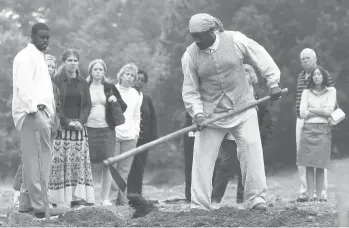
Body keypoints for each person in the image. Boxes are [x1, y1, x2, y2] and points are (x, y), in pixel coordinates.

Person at [181, 13, 281, 211]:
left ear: (212, 31)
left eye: (200, 35)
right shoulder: (189, 56)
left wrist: (273, 82)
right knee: (202, 158)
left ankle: (255, 200)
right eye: (193, 36)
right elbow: (190, 90)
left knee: (252, 150)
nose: (196, 40)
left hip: (243, 108)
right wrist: (198, 113)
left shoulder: (236, 40)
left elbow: (260, 56)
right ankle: (200, 205)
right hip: (212, 115)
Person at [12, 23, 63, 218]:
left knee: (32, 160)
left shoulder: (38, 57)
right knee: (39, 161)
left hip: (40, 114)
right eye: (42, 37)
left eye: (48, 37)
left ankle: (26, 205)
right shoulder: (26, 57)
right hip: (33, 114)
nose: (46, 40)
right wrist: (34, 111)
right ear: (31, 36)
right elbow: (23, 87)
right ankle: (41, 207)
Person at [211, 64, 274, 205]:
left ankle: (241, 201)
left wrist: (262, 135)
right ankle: (215, 199)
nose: (244, 76)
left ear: (252, 77)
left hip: (250, 136)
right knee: (226, 164)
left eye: (247, 73)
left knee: (244, 168)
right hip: (230, 135)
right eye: (241, 73)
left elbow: (266, 117)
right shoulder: (231, 92)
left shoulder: (258, 94)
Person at [48, 49, 95, 208]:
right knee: (58, 164)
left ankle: (77, 199)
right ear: (64, 62)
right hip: (61, 129)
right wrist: (67, 122)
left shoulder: (83, 82)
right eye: (70, 60)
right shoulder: (56, 80)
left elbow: (88, 104)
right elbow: (55, 104)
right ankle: (55, 199)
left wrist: (80, 121)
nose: (73, 63)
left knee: (78, 164)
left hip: (80, 130)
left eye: (75, 60)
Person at [85, 59, 127, 206]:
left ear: (104, 72)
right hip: (88, 129)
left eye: (100, 69)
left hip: (107, 130)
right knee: (87, 164)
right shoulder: (85, 86)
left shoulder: (109, 87)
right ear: (90, 71)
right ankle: (88, 198)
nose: (98, 72)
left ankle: (105, 199)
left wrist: (116, 100)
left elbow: (123, 107)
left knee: (108, 163)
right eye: (95, 69)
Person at [295, 48, 334, 202]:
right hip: (301, 120)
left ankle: (322, 192)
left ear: (315, 58)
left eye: (308, 58)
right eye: (303, 59)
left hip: (320, 122)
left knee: (320, 158)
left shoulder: (322, 74)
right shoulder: (300, 76)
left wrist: (328, 114)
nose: (305, 61)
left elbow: (330, 96)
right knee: (302, 156)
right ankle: (305, 191)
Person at [110, 63, 142, 205]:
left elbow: (136, 116)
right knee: (113, 169)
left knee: (124, 170)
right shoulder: (112, 90)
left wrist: (136, 133)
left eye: (132, 76)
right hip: (115, 134)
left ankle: (121, 201)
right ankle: (110, 199)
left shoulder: (136, 94)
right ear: (121, 75)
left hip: (130, 137)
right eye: (127, 74)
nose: (129, 77)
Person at [127, 70, 158, 195]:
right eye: (137, 78)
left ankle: (136, 194)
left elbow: (153, 119)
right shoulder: (125, 95)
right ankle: (124, 195)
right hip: (128, 137)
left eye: (142, 80)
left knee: (139, 167)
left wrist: (153, 138)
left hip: (143, 139)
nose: (139, 82)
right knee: (127, 166)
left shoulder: (146, 99)